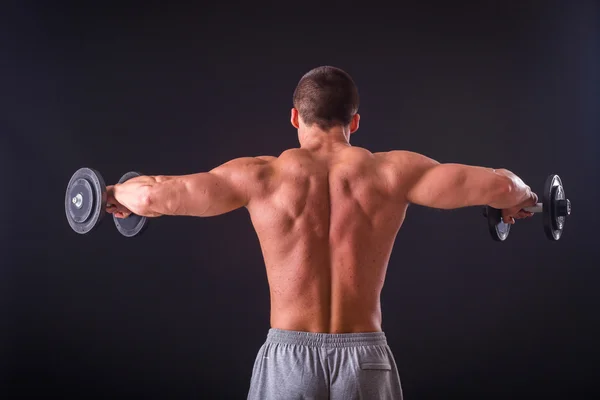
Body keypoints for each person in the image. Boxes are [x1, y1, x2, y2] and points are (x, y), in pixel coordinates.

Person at [105, 66, 538, 399]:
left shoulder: (261, 176)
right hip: (366, 359)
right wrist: (521, 198)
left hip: (288, 360)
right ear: (355, 121)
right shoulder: (393, 173)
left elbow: (156, 196)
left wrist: (111, 193)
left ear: (295, 117)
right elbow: (501, 187)